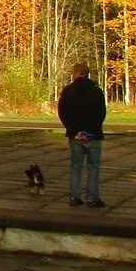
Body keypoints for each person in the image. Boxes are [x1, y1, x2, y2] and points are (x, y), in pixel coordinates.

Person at [57, 62, 106, 208]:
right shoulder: (96, 91)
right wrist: (89, 131)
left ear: (75, 73)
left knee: (76, 166)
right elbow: (101, 114)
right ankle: (93, 198)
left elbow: (63, 112)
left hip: (75, 136)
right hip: (93, 136)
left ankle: (74, 196)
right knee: (93, 167)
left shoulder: (68, 91)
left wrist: (74, 130)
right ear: (87, 73)